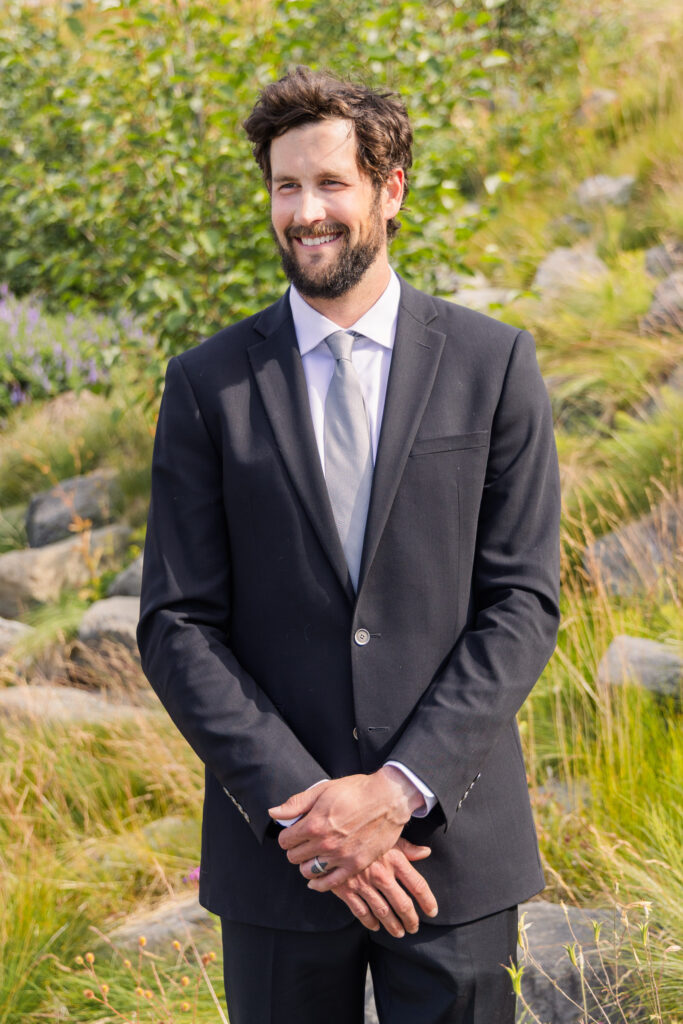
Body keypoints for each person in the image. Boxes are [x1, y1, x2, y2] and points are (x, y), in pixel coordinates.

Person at [137, 65, 561, 1024]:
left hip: (450, 857)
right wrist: (313, 813)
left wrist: (399, 791)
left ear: (388, 187)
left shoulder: (494, 365)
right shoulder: (207, 384)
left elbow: (522, 602)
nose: (305, 210)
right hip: (281, 865)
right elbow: (175, 623)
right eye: (286, 186)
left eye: (330, 182)